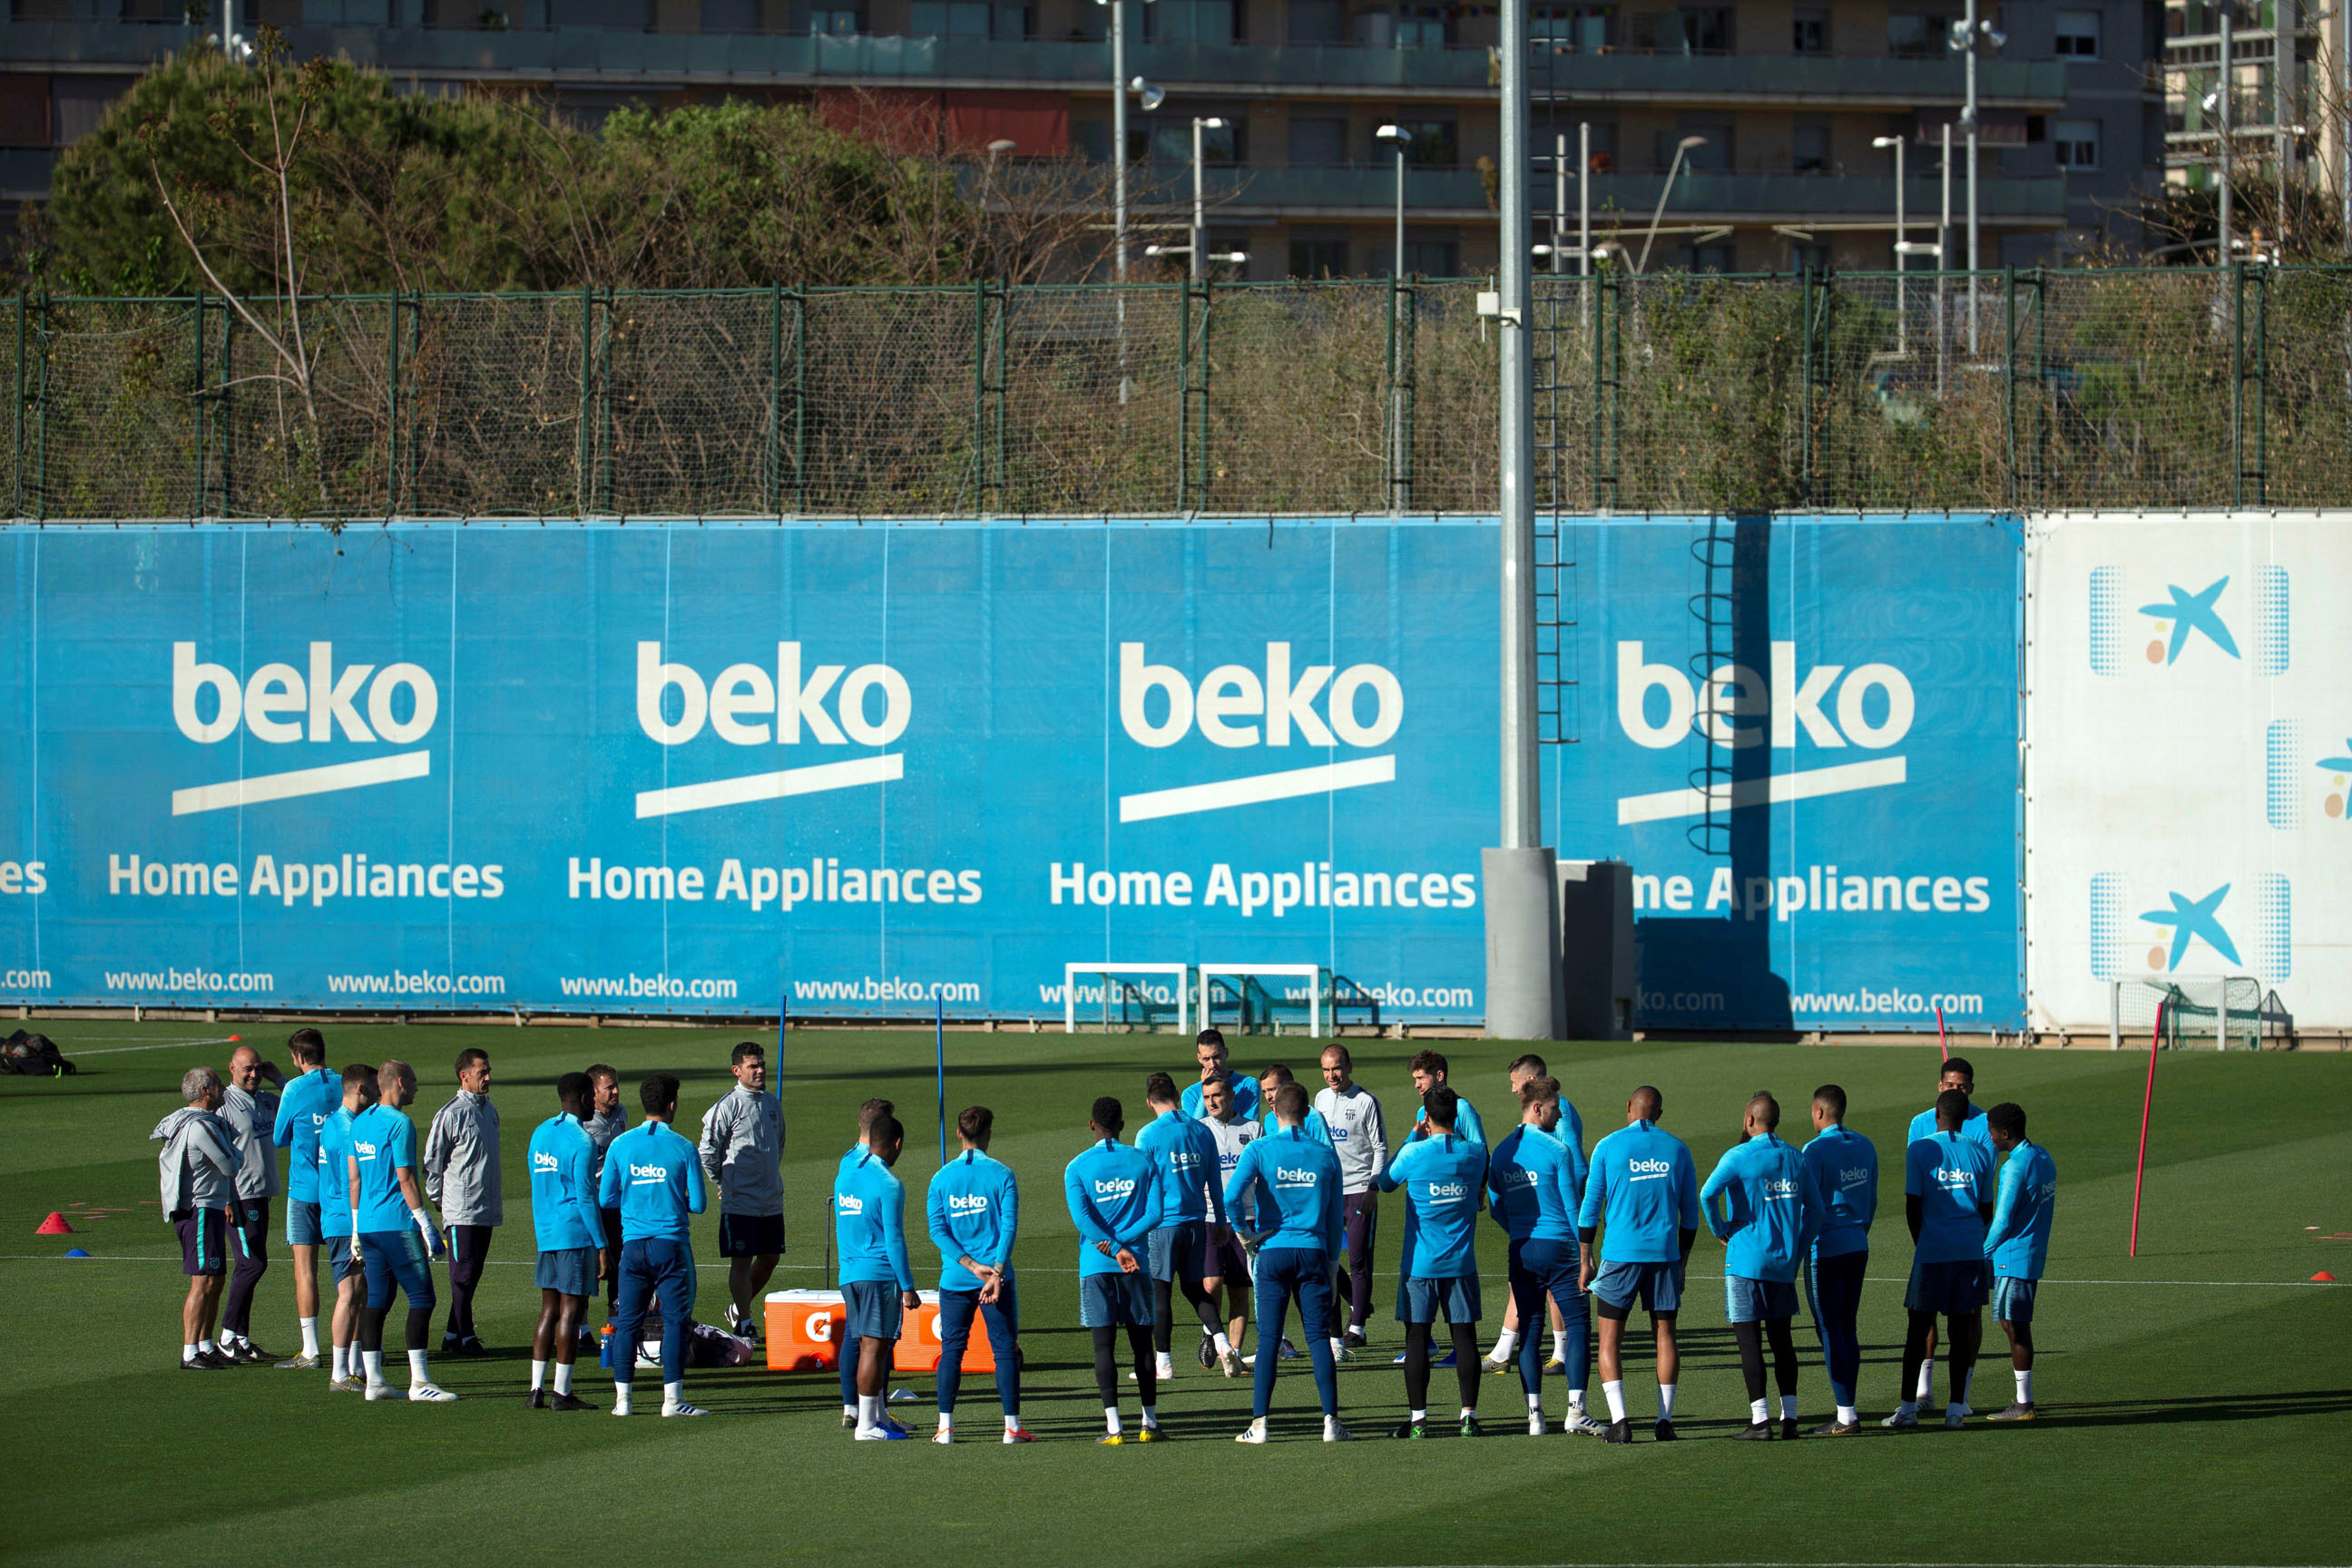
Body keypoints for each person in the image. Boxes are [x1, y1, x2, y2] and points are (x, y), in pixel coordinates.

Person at [1223, 1081, 1351, 1444]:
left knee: (1267, 1341)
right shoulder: (1325, 1155)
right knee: (1318, 1340)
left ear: (1274, 1111)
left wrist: (1244, 1235)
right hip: (1312, 1252)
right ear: (1308, 1113)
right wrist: (1329, 1262)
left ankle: (1260, 1425)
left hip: (1273, 1251)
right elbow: (1332, 1214)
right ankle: (1330, 1423)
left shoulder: (1260, 1149)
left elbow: (1232, 1197)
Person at [1576, 1085, 1700, 1444]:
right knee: (1666, 1336)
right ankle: (1665, 1421)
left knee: (1610, 1340)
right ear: (1659, 1113)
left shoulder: (1608, 1145)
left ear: (1629, 1107)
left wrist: (1586, 1260)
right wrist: (1683, 1263)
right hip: (1664, 1257)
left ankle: (1620, 1422)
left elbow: (1590, 1209)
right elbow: (1690, 1216)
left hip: (1620, 1256)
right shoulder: (1677, 1149)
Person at [1700, 1091, 1822, 1440]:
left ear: (1749, 1120)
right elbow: (1816, 1212)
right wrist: (1797, 1248)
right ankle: (1791, 1419)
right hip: (1783, 1264)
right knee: (1782, 1341)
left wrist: (1721, 1229)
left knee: (1749, 1341)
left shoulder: (1739, 1156)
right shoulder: (1797, 1158)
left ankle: (1760, 1421)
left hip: (1746, 1262)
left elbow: (1707, 1194)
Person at [1487, 1074, 1596, 1436]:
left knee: (1531, 1331)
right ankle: (1575, 1411)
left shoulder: (1502, 1153)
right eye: (1554, 1108)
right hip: (1560, 1248)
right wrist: (1586, 1254)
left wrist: (1520, 1232)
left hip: (1521, 1249)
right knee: (1578, 1326)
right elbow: (1571, 1209)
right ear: (1537, 1108)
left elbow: (1495, 1209)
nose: (1558, 1114)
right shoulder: (1557, 1150)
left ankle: (1535, 1416)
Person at [1377, 1083, 1486, 1437]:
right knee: (1465, 1337)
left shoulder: (1415, 1153)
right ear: (1456, 1115)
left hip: (1420, 1265)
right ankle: (1468, 1417)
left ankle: (1419, 1420)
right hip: (1461, 1263)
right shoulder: (1474, 1155)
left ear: (1426, 1116)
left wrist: (1412, 1133)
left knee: (1416, 1338)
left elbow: (1385, 1182)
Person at [600, 1073, 710, 1417]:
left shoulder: (621, 1144)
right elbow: (699, 1205)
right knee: (676, 1321)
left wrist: (638, 1197)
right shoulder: (683, 1147)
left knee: (627, 1321)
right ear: (672, 1105)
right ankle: (672, 1402)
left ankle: (623, 1402)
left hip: (633, 1247)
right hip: (670, 1245)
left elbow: (606, 1198)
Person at [1888, 1086, 1998, 1430]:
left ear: (1937, 1115)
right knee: (1961, 1330)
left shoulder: (1920, 1149)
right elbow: (1986, 1209)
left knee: (1917, 1330)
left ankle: (1907, 1409)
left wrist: (1923, 1241)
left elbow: (1912, 1205)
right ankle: (1955, 1409)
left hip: (1932, 1252)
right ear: (1966, 1119)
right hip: (1968, 1252)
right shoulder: (1981, 1152)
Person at [926, 1105, 1034, 1443]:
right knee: (1004, 1350)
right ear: (988, 1133)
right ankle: (1012, 1428)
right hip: (997, 1281)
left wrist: (969, 1265)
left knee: (952, 1350)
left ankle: (945, 1427)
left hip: (955, 1279)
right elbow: (1009, 1226)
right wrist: (995, 1272)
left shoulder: (940, 1178)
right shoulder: (1002, 1174)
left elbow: (937, 1230)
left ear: (959, 1134)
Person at [348, 1060, 455, 1404]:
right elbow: (406, 1178)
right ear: (397, 1082)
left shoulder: (360, 1123)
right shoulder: (400, 1124)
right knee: (423, 1298)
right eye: (413, 1081)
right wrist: (426, 1224)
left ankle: (374, 1381)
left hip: (368, 1227)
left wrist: (354, 1228)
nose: (417, 1088)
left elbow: (355, 1179)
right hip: (397, 1225)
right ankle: (420, 1382)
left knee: (377, 1300)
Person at [1065, 1095, 1167, 1443]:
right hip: (1136, 1265)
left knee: (1103, 1348)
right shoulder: (1143, 1161)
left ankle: (1114, 1428)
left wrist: (1112, 1244)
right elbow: (1154, 1214)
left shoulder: (1076, 1167)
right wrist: (1125, 1243)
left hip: (1096, 1265)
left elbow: (1082, 1219)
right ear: (1122, 1125)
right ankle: (1149, 1424)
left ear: (1091, 1124)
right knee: (1142, 1346)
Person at [1136, 1073, 1240, 1380]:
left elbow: (1142, 1185)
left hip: (1164, 1224)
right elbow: (1215, 1183)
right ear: (1179, 1097)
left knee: (1161, 1292)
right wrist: (1220, 1220)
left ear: (1149, 1102)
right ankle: (1222, 1342)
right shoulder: (1202, 1131)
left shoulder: (1148, 1135)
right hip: (1198, 1222)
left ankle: (1164, 1364)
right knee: (1195, 1288)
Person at [1483, 1054, 1581, 1376]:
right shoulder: (1543, 1118)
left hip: (1557, 1215)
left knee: (1553, 1289)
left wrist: (1574, 1222)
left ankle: (1560, 1354)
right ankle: (1506, 1350)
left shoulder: (1558, 1115)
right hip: (1542, 1217)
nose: (1512, 1091)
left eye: (1514, 1083)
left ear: (1529, 1083)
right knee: (1526, 1285)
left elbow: (1576, 1166)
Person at [1904, 1054, 1991, 1407]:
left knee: (1967, 1318)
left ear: (1972, 1087)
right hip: (1942, 1238)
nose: (1958, 1090)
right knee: (1925, 1319)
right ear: (1940, 1087)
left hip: (1959, 1240)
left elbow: (1980, 1182)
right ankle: (1925, 1391)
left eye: (1963, 1086)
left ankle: (1962, 1396)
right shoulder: (1919, 1124)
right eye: (1951, 1085)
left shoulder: (1984, 1123)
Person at [1799, 1083, 1877, 1436]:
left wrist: (1799, 1248)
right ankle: (1848, 1407)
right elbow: (1872, 1199)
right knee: (1848, 1327)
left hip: (1825, 1249)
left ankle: (1846, 1415)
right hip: (1857, 1244)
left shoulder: (1814, 1150)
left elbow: (1808, 1207)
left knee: (1831, 1330)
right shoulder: (1865, 1145)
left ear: (1818, 1112)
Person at [837, 1110, 917, 1440]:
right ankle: (867, 1426)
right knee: (873, 1348)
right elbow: (894, 1238)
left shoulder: (845, 1174)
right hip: (878, 1274)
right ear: (896, 1144)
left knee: (870, 1346)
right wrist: (908, 1287)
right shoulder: (889, 1184)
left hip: (850, 1273)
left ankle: (878, 1416)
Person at [527, 1072, 605, 1411]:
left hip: (546, 1233)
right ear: (587, 1098)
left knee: (548, 1310)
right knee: (571, 1312)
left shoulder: (540, 1133)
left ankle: (535, 1390)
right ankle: (562, 1392)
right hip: (573, 1233)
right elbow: (586, 1198)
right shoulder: (582, 1141)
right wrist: (602, 1245)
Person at [153, 1066, 240, 1369]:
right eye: (217, 1084)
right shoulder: (200, 1128)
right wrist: (235, 1152)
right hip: (200, 1210)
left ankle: (204, 1344)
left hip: (211, 1208)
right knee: (202, 1281)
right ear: (205, 1091)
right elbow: (231, 1165)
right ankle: (190, 1351)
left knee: (215, 1279)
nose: (223, 1089)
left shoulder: (198, 1122)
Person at [701, 1042, 786, 1339]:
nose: (760, 1070)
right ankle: (746, 1321)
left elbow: (779, 1146)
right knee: (742, 1259)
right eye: (753, 1066)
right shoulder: (727, 1106)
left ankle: (739, 1307)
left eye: (761, 1064)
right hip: (741, 1202)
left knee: (771, 1257)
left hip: (770, 1198)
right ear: (737, 1071)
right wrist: (722, 1182)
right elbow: (707, 1150)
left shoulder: (773, 1104)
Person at [1981, 1102, 2057, 1423]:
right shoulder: (2043, 1157)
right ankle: (2023, 1400)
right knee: (2013, 1323)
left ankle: (2023, 1404)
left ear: (2005, 1133)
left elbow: (2003, 1220)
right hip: (2032, 1252)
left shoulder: (2014, 1166)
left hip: (2012, 1257)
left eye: (1992, 1133)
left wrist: (1981, 1251)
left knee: (2014, 1325)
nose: (1990, 1138)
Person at [423, 1047, 501, 1356]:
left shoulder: (490, 1110)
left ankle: (453, 1336)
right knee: (462, 1275)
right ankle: (464, 1336)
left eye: (488, 1070)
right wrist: (440, 1200)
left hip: (486, 1207)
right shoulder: (451, 1113)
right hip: (460, 1208)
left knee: (473, 1275)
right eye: (482, 1072)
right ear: (464, 1076)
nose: (488, 1077)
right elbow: (432, 1161)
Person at [269, 1028, 338, 1369]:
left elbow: (280, 1137)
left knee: (305, 1270)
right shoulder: (344, 1083)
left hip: (305, 1191)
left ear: (297, 1058)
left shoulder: (294, 1089)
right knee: (350, 1270)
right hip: (340, 1191)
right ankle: (358, 1346)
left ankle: (311, 1350)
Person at [1314, 1044, 1387, 1354]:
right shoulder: (1319, 1099)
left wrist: (1373, 1188)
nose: (1332, 1075)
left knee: (1358, 1258)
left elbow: (1380, 1147)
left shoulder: (1366, 1101)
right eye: (1327, 1069)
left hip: (1359, 1189)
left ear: (1349, 1066)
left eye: (1337, 1068)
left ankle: (1357, 1327)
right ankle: (1357, 1304)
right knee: (1325, 1257)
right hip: (1329, 1192)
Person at [215, 1044, 283, 1363]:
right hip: (239, 1197)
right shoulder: (224, 1106)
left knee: (254, 1264)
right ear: (232, 1069)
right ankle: (228, 1336)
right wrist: (226, 1197)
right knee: (251, 1264)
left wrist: (279, 1077)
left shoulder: (268, 1101)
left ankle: (241, 1338)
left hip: (261, 1193)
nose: (254, 1074)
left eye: (258, 1068)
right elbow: (214, 1156)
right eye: (248, 1069)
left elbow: (301, 1107)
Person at [834, 1098, 897, 1427]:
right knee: (874, 1340)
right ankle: (866, 1411)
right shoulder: (873, 1168)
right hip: (872, 1266)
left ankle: (856, 1409)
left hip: (850, 1265)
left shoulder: (848, 1161)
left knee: (856, 1336)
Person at [317, 1064, 378, 1391]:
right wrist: (357, 1226)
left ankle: (354, 1366)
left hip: (345, 1219)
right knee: (349, 1292)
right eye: (373, 1087)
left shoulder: (342, 1123)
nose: (379, 1094)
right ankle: (339, 1373)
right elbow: (350, 1183)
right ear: (358, 1088)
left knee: (361, 1293)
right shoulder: (345, 1130)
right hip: (345, 1221)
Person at [1198, 1074, 1262, 1372]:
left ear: (1232, 1096)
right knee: (1211, 1284)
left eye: (1217, 1096)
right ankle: (1211, 1333)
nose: (1212, 1102)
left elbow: (1263, 1172)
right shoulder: (1199, 1130)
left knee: (1239, 1290)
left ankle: (1233, 1356)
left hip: (1244, 1220)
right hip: (1210, 1219)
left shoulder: (1252, 1129)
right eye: (1207, 1097)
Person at [583, 1063, 627, 1314]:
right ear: (593, 1092)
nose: (615, 1091)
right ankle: (582, 1327)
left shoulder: (621, 1115)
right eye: (609, 1087)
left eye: (616, 1085)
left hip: (617, 1205)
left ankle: (617, 1321)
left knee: (620, 1264)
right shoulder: (584, 1124)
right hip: (592, 1205)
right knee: (589, 1267)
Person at [1404, 1050, 1485, 1148]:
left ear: (1439, 1076)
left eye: (1421, 1078)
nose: (1417, 1085)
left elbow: (1481, 1151)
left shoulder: (1462, 1108)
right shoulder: (1422, 1112)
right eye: (1415, 1079)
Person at [1180, 1029, 1260, 1122]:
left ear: (1226, 1053)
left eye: (1216, 1057)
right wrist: (1205, 1089)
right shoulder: (1190, 1094)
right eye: (1206, 1059)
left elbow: (1250, 1127)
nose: (1213, 1064)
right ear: (1199, 1058)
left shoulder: (1248, 1085)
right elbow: (1194, 1130)